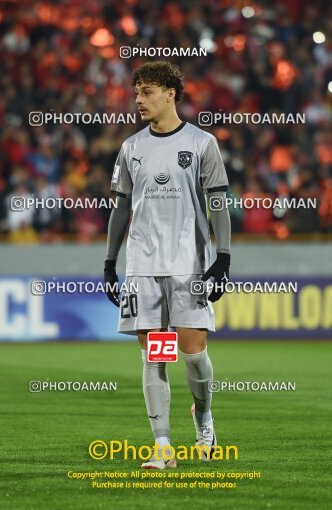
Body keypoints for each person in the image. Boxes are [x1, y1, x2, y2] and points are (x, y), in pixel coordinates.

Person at [104, 61, 231, 469]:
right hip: (143, 266)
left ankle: (204, 418)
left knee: (194, 355)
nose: (138, 100)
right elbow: (121, 208)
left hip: (188, 265)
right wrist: (110, 262)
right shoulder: (131, 148)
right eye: (137, 92)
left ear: (170, 94)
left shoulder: (200, 143)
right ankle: (162, 447)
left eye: (147, 92)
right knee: (154, 356)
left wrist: (223, 257)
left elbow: (217, 202)